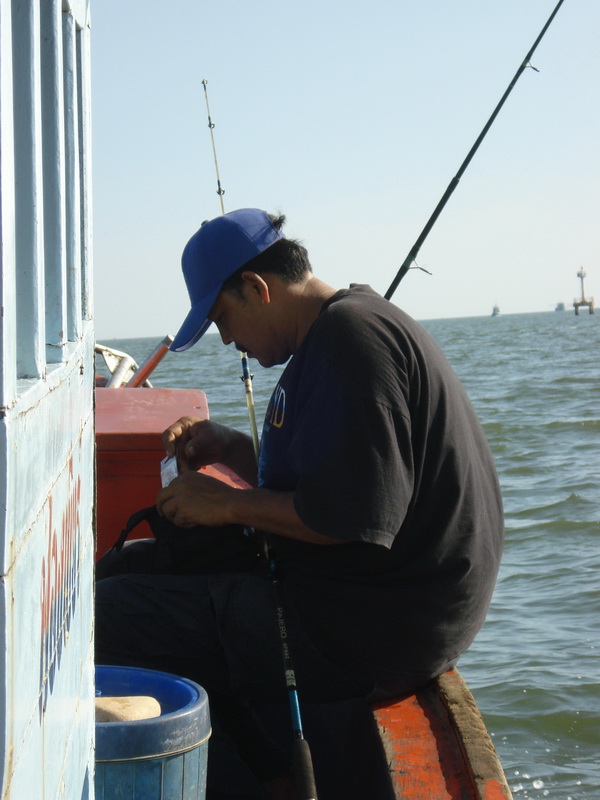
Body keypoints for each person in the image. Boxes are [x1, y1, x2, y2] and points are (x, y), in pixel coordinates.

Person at [95, 208, 504, 799]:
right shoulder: (336, 335)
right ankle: (269, 767)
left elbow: (353, 516)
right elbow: (333, 474)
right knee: (128, 566)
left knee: (109, 619)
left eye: (222, 320)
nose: (228, 338)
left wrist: (229, 506)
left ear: (257, 288)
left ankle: (265, 781)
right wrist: (235, 451)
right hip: (364, 598)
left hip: (377, 626)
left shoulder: (352, 340)